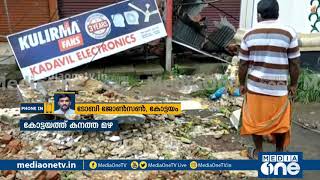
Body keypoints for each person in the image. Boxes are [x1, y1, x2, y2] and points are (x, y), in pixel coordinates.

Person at [238, 0, 300, 159]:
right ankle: (279, 153)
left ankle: (259, 152)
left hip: (255, 88)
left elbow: (243, 63)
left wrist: (241, 84)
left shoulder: (248, 34)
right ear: (277, 14)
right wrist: (293, 84)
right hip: (278, 89)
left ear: (258, 15)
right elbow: (294, 63)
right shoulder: (289, 33)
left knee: (255, 120)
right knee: (280, 122)